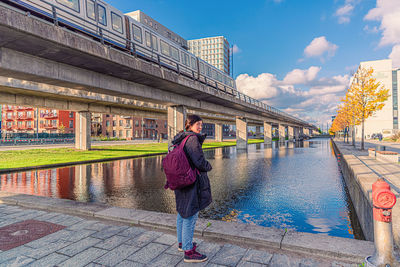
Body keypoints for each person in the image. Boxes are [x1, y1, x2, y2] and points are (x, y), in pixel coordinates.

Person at [170, 114, 212, 263]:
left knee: (182, 212)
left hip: (180, 180)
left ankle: (182, 243)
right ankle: (188, 251)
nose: (200, 127)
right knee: (191, 214)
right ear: (190, 125)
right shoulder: (192, 139)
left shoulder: (181, 138)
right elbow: (199, 162)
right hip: (190, 181)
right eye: (197, 124)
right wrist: (209, 166)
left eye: (201, 124)